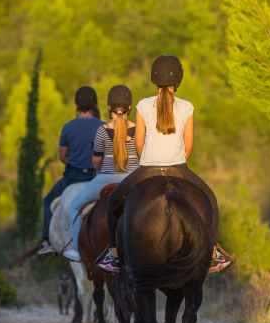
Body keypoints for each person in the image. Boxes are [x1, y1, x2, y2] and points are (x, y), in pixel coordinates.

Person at [97, 55, 233, 274]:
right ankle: (212, 252)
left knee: (114, 202)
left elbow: (139, 144)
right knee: (210, 199)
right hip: (179, 168)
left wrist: (151, 160)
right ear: (178, 80)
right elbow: (188, 147)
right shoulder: (187, 107)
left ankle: (113, 254)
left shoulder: (142, 105)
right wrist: (175, 160)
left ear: (154, 79)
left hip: (147, 170)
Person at [61, 85, 139, 261]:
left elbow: (96, 162)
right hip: (132, 180)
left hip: (105, 178)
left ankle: (76, 250)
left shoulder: (103, 130)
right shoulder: (139, 130)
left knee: (75, 205)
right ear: (130, 108)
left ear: (109, 108)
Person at [38, 86, 103, 255]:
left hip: (73, 177)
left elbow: (62, 156)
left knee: (47, 202)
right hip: (97, 178)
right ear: (95, 104)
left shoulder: (68, 127)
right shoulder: (105, 127)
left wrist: (76, 160)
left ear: (76, 105)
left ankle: (47, 241)